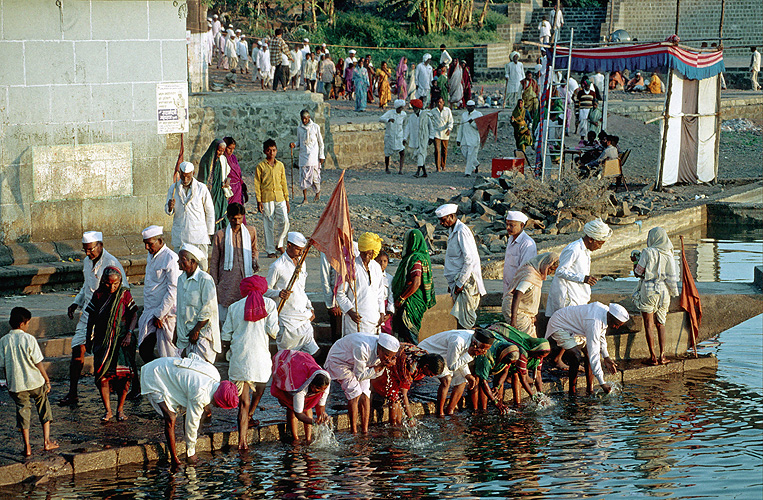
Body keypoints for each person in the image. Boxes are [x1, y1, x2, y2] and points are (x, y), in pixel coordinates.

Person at [59, 231, 128, 406]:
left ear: (100, 246)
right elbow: (86, 285)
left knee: (108, 357)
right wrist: (76, 302)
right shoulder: (86, 262)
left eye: (90, 250)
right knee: (77, 349)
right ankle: (73, 393)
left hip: (107, 316)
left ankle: (119, 399)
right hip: (88, 313)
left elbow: (124, 291)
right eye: (85, 250)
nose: (88, 253)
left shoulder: (112, 263)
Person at [141, 354, 238, 467]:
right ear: (219, 402)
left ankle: (184, 454)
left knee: (185, 411)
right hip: (155, 375)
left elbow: (193, 356)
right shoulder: (201, 395)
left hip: (166, 364)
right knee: (170, 418)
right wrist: (192, 453)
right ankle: (174, 459)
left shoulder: (215, 374)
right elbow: (192, 424)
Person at [545, 219, 612, 369]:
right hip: (567, 294)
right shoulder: (574, 249)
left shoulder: (585, 251)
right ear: (590, 239)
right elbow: (561, 271)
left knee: (573, 327)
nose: (600, 247)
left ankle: (559, 357)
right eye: (599, 243)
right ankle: (560, 358)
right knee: (569, 325)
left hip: (577, 293)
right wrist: (583, 278)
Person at [220, 275, 278, 449]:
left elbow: (225, 335)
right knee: (259, 389)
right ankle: (252, 413)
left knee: (243, 404)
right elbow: (274, 332)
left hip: (240, 359)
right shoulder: (269, 305)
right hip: (260, 360)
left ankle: (242, 442)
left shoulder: (234, 307)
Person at [0, 307, 58, 457]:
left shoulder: (4, 341)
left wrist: (8, 382)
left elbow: (4, 365)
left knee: (22, 412)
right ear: (22, 324)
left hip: (16, 385)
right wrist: (47, 379)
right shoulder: (29, 339)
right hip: (35, 382)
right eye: (28, 323)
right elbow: (38, 363)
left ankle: (27, 447)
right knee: (43, 406)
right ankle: (46, 442)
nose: (28, 326)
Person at [85, 267, 138, 423]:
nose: (112, 287)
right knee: (102, 375)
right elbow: (91, 317)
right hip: (103, 340)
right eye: (108, 284)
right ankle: (107, 410)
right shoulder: (98, 295)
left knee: (124, 375)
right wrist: (88, 337)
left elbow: (134, 314)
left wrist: (129, 333)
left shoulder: (124, 294)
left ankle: (120, 409)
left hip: (122, 339)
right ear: (103, 282)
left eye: (115, 284)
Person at [545, 302, 628, 395]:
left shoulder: (606, 312)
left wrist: (606, 357)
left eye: (619, 326)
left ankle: (590, 389)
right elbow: (594, 353)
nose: (616, 328)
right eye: (616, 324)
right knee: (576, 356)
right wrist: (602, 383)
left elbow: (601, 335)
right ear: (610, 317)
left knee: (588, 353)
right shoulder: (594, 322)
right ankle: (572, 391)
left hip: (574, 327)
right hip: (559, 325)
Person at [324, 332, 400, 433]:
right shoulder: (363, 348)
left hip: (359, 364)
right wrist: (379, 366)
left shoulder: (383, 350)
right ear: (379, 349)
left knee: (365, 393)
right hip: (339, 362)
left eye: (392, 357)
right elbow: (359, 376)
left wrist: (382, 366)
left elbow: (375, 373)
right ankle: (354, 431)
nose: (389, 359)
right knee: (355, 393)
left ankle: (365, 430)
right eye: (387, 355)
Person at [418, 328, 494, 416]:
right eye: (483, 349)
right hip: (429, 352)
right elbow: (452, 366)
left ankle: (450, 410)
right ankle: (440, 412)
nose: (484, 352)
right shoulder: (458, 342)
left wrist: (467, 375)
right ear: (475, 344)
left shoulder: (473, 338)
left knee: (463, 379)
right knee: (447, 379)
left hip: (446, 356)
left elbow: (460, 357)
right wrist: (469, 354)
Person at [265, 232, 318, 354]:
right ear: (289, 245)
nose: (300, 253)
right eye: (298, 249)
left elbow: (301, 289)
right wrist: (278, 294)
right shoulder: (277, 266)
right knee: (286, 357)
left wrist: (310, 307)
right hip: (287, 319)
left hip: (303, 316)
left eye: (302, 250)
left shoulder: (302, 263)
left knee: (314, 353)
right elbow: (265, 291)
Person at [632, 227, 679, 366]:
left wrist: (635, 261)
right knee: (661, 323)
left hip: (649, 290)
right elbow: (672, 277)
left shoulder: (647, 252)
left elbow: (638, 273)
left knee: (649, 324)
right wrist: (674, 292)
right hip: (664, 291)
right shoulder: (669, 253)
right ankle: (663, 355)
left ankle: (653, 357)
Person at [436, 203, 485, 328]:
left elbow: (469, 260)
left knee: (465, 321)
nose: (441, 223)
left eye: (443, 220)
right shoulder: (452, 230)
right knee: (459, 320)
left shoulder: (462, 231)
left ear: (452, 216)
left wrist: (460, 283)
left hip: (466, 283)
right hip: (457, 283)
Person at [137, 226, 181, 366]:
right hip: (150, 311)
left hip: (165, 314)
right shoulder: (151, 256)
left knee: (168, 355)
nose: (146, 247)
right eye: (145, 243)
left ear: (160, 240)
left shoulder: (171, 258)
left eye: (149, 243)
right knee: (144, 349)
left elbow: (173, 289)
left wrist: (160, 314)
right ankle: (158, 375)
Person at [370, 343, 444, 425]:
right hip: (391, 363)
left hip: (399, 360)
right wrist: (410, 417)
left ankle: (397, 425)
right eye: (430, 374)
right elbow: (403, 394)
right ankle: (394, 427)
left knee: (396, 396)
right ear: (426, 366)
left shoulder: (425, 356)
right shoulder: (410, 366)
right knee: (394, 397)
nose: (430, 377)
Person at [209, 203, 258, 324]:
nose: (237, 222)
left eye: (240, 218)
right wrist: (214, 283)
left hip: (245, 278)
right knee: (225, 316)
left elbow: (254, 250)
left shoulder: (250, 232)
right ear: (228, 217)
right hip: (227, 282)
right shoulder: (220, 235)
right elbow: (214, 261)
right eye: (234, 219)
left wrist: (255, 260)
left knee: (244, 313)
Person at [271, 350, 331, 444]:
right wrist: (314, 422)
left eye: (323, 389)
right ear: (312, 386)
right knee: (292, 407)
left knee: (308, 407)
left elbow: (320, 406)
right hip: (291, 368)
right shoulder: (299, 387)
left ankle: (308, 439)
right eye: (319, 389)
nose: (321, 392)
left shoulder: (325, 382)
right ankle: (295, 438)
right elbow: (298, 414)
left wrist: (323, 416)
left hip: (305, 364)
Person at [336, 232, 389, 336]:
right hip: (355, 321)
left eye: (369, 253)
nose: (366, 256)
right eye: (364, 253)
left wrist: (382, 312)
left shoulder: (376, 267)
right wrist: (350, 311)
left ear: (374, 252)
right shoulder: (350, 267)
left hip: (373, 319)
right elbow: (340, 294)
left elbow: (380, 293)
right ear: (360, 251)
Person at [176, 244, 221, 364]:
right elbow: (180, 308)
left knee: (202, 369)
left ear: (192, 261)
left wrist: (196, 330)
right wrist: (177, 331)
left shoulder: (205, 279)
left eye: (182, 260)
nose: (179, 262)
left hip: (202, 333)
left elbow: (207, 309)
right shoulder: (180, 280)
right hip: (186, 333)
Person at [166, 162, 215, 271]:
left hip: (198, 234)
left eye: (188, 176)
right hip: (181, 234)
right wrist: (170, 207)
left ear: (193, 173)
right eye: (183, 176)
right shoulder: (173, 188)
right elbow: (168, 210)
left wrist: (209, 233)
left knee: (202, 265)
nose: (185, 179)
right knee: (180, 267)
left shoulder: (201, 188)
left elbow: (210, 211)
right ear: (180, 174)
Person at [392, 228, 436, 344]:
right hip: (414, 300)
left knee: (409, 335)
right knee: (407, 334)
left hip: (411, 301)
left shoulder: (416, 259)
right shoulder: (421, 257)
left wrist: (401, 298)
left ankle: (416, 356)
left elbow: (416, 283)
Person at [504, 252, 559, 338]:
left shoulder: (536, 275)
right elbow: (517, 294)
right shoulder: (530, 275)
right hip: (517, 311)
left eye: (552, 271)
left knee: (528, 340)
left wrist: (533, 315)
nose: (550, 272)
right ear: (544, 264)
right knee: (529, 340)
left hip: (524, 312)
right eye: (550, 269)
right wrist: (513, 319)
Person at [254, 139, 290, 257]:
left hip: (280, 197)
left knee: (285, 221)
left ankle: (279, 244)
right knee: (268, 224)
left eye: (274, 150)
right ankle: (270, 250)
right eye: (269, 150)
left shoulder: (280, 165)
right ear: (265, 151)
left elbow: (284, 182)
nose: (271, 153)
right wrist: (259, 201)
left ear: (276, 151)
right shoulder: (261, 166)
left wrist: (287, 199)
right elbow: (257, 184)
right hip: (267, 198)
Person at [501, 211, 537, 318]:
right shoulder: (511, 239)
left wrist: (515, 291)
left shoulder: (527, 244)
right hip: (509, 289)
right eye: (507, 224)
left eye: (511, 225)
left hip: (519, 292)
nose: (508, 228)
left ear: (522, 225)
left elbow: (525, 272)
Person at [290, 109, 325, 204]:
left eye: (306, 119)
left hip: (313, 156)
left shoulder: (315, 127)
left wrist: (321, 155)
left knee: (315, 178)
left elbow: (321, 143)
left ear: (309, 118)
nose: (304, 121)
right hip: (303, 156)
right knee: (303, 178)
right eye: (302, 119)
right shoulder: (299, 128)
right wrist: (294, 144)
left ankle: (317, 192)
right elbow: (299, 141)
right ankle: (305, 198)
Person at [197, 139, 231, 233]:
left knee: (222, 211)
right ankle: (211, 235)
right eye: (219, 150)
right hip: (209, 192)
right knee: (212, 212)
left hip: (220, 192)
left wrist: (227, 180)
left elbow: (227, 173)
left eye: (222, 151)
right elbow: (203, 179)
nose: (220, 153)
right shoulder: (206, 161)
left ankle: (222, 235)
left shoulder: (222, 160)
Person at [379, 99, 407, 174]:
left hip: (399, 136)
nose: (401, 109)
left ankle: (401, 169)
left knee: (402, 152)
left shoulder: (404, 115)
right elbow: (380, 119)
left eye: (402, 108)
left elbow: (404, 126)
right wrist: (388, 120)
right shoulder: (390, 113)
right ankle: (387, 168)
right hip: (390, 136)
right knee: (387, 153)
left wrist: (404, 138)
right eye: (399, 108)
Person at [405, 98, 431, 178]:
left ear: (419, 108)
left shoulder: (425, 116)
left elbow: (431, 127)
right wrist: (405, 138)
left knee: (421, 153)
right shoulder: (412, 117)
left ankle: (418, 172)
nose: (414, 109)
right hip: (415, 138)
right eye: (413, 108)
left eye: (415, 108)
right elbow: (408, 127)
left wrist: (431, 137)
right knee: (420, 154)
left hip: (424, 138)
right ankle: (424, 172)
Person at [223, 138, 246, 223]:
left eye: (233, 149)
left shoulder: (233, 158)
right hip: (229, 189)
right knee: (230, 211)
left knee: (238, 210)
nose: (231, 151)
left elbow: (238, 173)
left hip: (237, 188)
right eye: (229, 148)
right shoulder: (222, 159)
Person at [457, 99, 482, 177]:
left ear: (474, 107)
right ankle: (476, 164)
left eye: (471, 107)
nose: (469, 108)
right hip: (465, 138)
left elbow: (481, 127)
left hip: (473, 138)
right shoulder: (464, 115)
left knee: (470, 155)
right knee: (465, 153)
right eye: (468, 107)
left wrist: (473, 123)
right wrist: (458, 139)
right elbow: (461, 127)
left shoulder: (478, 114)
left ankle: (468, 172)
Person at [320, 252, 341, 342]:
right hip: (336, 303)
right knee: (337, 336)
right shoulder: (326, 250)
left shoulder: (353, 247)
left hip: (350, 302)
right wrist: (332, 304)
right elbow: (325, 278)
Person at [429, 97, 453, 172]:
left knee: (444, 150)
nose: (439, 104)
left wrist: (449, 129)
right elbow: (430, 120)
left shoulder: (447, 110)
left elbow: (451, 121)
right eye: (438, 102)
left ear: (443, 103)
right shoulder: (433, 111)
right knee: (437, 150)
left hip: (445, 132)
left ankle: (443, 165)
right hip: (436, 132)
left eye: (440, 102)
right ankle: (438, 167)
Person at [375, 251, 394, 335]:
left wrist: (389, 313)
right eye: (379, 261)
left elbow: (391, 296)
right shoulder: (372, 276)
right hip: (374, 306)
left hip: (385, 307)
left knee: (386, 332)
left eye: (385, 261)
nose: (382, 264)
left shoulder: (389, 278)